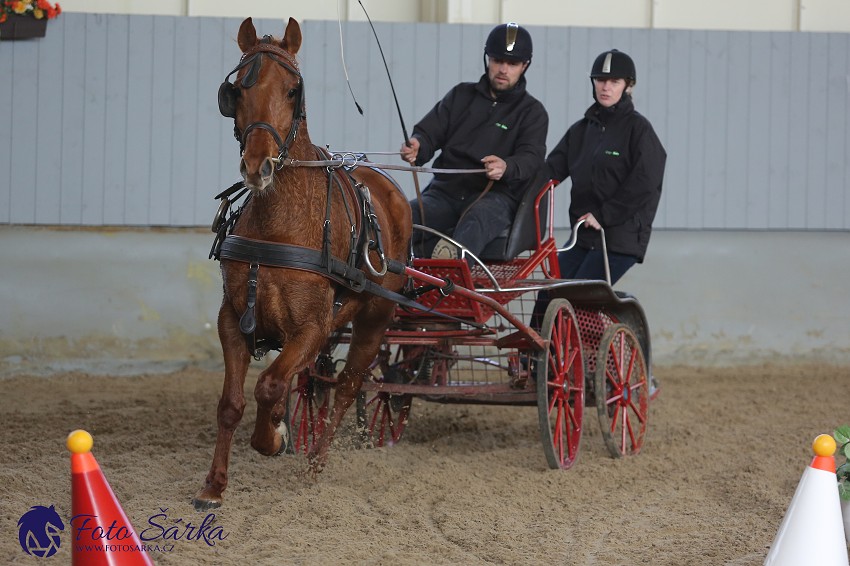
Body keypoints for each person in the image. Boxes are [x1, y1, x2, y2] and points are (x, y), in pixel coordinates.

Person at [532, 49, 666, 397]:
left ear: (628, 86)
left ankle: (622, 367)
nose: (606, 87)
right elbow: (549, 171)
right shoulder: (581, 131)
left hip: (619, 238)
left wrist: (603, 215)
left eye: (614, 81)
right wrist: (513, 180)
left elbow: (646, 182)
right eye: (601, 80)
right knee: (549, 286)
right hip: (582, 236)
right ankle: (535, 363)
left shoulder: (639, 131)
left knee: (579, 293)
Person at [400, 22, 548, 259]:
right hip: (444, 192)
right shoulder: (461, 95)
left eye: (512, 64)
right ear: (487, 59)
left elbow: (531, 158)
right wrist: (418, 144)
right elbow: (429, 132)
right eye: (498, 60)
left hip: (495, 197)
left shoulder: (533, 112)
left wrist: (506, 166)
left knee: (476, 220)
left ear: (525, 66)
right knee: (402, 217)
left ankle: (450, 283)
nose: (503, 69)